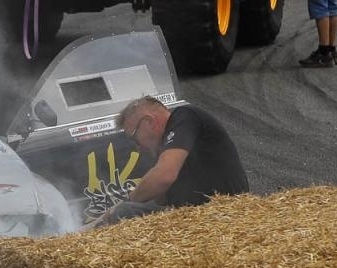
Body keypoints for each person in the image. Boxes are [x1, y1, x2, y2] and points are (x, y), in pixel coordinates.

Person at [92, 96, 248, 225]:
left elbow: (164, 177)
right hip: (197, 213)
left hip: (221, 212)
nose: (137, 147)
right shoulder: (166, 150)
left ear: (149, 122)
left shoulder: (184, 116)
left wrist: (127, 201)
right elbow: (161, 197)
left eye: (134, 138)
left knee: (124, 212)